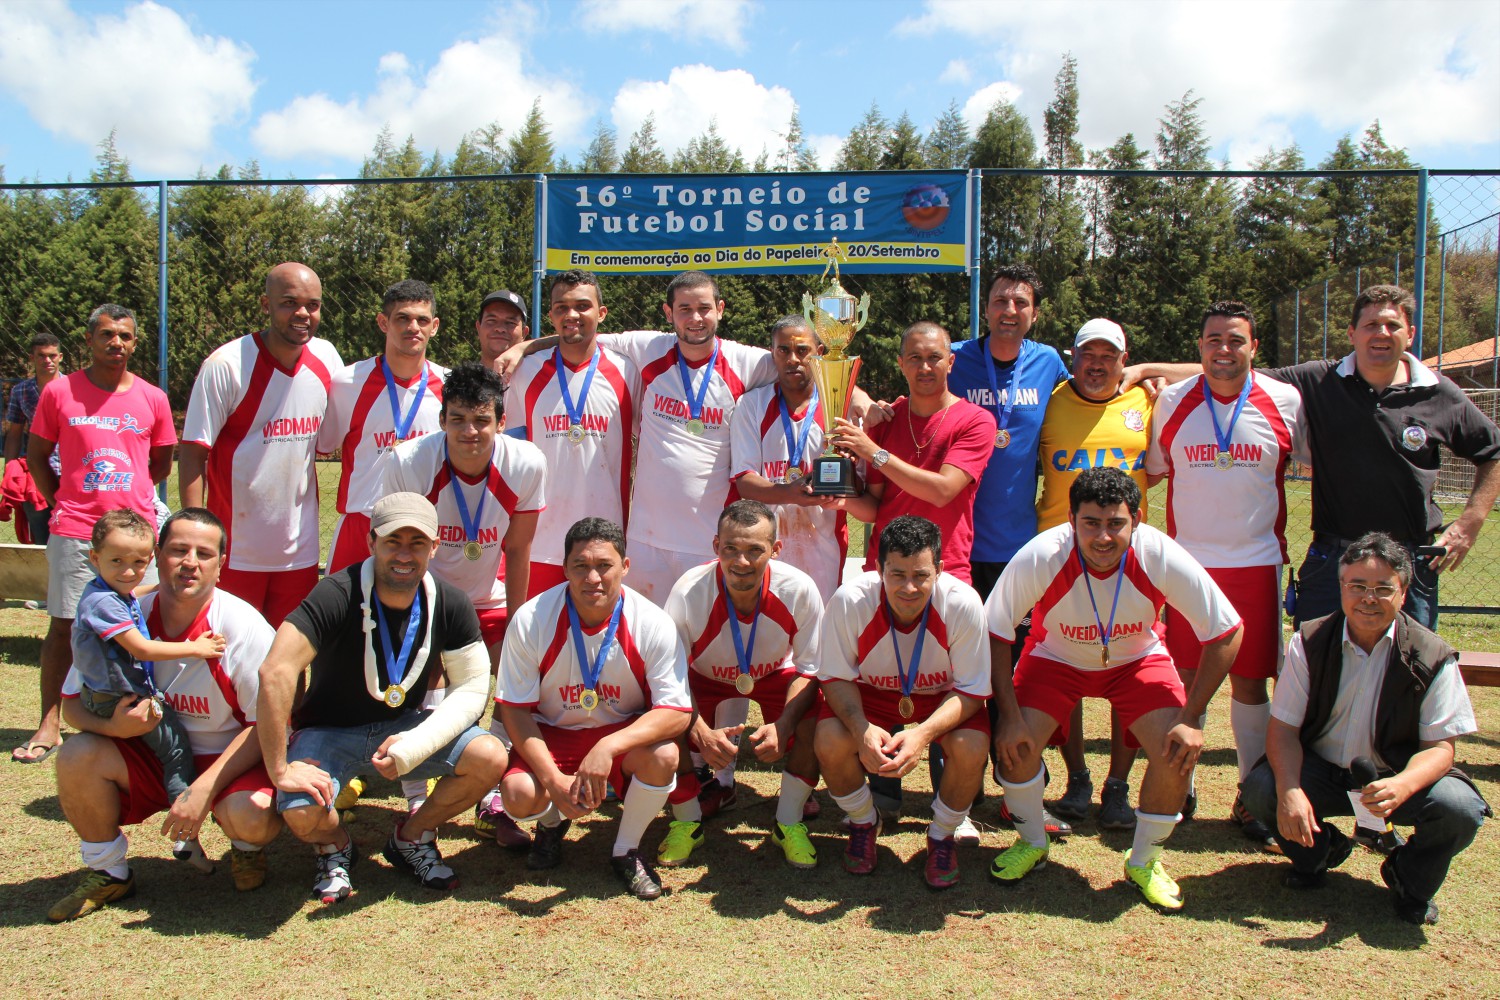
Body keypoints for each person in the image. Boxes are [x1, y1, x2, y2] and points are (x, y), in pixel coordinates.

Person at [1136, 284, 1500, 630]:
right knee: (1317, 663)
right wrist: (1145, 370)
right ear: (1352, 333)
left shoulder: (1438, 391)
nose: (1382, 333)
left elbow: (1493, 451)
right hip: (1334, 551)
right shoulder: (1319, 379)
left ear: (1411, 333)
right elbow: (1232, 370)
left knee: (1411, 668)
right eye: (1371, 324)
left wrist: (1469, 522)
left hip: (1408, 553)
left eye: (1392, 325)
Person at [986, 468, 1241, 911]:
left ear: (1136, 519)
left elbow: (1226, 631)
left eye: (1115, 524)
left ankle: (1143, 861)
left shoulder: (1159, 553)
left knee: (1176, 752)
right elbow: (993, 632)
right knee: (1014, 746)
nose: (1103, 537)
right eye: (1091, 523)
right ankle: (1032, 842)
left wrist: (1191, 717)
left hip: (1135, 660)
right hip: (1056, 658)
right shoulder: (1043, 554)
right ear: (1071, 520)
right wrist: (1007, 717)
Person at [257, 493, 508, 903]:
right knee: (302, 811)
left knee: (490, 757)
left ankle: (410, 837)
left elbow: (473, 688)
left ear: (435, 546)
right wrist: (280, 769)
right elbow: (276, 671)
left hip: (403, 728)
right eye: (393, 541)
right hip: (328, 731)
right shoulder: (336, 592)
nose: (404, 554)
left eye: (416, 542)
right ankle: (335, 846)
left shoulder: (450, 602)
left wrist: (415, 744)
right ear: (372, 542)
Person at [1240, 533, 1488, 926]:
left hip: (1392, 777)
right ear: (1341, 588)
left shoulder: (1433, 654)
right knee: (1263, 789)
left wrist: (1403, 785)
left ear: (1403, 593)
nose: (1368, 598)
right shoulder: (1308, 641)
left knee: (1460, 808)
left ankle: (1408, 877)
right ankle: (1320, 853)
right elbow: (1283, 729)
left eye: (1382, 588)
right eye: (1357, 586)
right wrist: (1290, 790)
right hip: (1322, 771)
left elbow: (1441, 747)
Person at [49, 508, 280, 920]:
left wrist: (204, 788)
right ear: (156, 556)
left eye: (204, 553)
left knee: (253, 817)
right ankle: (109, 873)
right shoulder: (118, 614)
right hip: (150, 752)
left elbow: (268, 724)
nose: (190, 561)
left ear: (221, 564)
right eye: (178, 550)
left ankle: (246, 851)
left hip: (226, 758)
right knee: (76, 755)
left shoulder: (243, 626)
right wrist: (111, 726)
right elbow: (69, 705)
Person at [1146, 300, 1305, 846]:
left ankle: (1250, 793)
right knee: (1185, 682)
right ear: (1200, 346)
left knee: (1249, 683)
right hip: (1188, 563)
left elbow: (1306, 465)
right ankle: (1181, 785)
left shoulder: (1285, 401)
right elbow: (1152, 472)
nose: (1224, 350)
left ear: (1254, 347)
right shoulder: (1171, 402)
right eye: (1214, 339)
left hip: (1257, 561)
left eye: (1236, 340)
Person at [384, 361, 543, 845]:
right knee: (418, 686)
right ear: (442, 420)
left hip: (490, 596)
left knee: (515, 685)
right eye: (457, 420)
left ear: (499, 419)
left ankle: (491, 797)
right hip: (427, 595)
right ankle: (417, 797)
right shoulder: (409, 461)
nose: (469, 432)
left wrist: (518, 627)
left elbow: (517, 550)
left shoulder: (527, 462)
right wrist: (409, 619)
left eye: (481, 420)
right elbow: (401, 552)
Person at [497, 517, 693, 900]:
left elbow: (676, 711)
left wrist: (607, 748)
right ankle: (551, 824)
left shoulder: (652, 621)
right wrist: (553, 780)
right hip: (552, 733)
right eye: (580, 566)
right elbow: (515, 711)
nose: (593, 578)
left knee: (665, 755)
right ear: (565, 568)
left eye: (604, 565)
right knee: (519, 794)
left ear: (625, 566)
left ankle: (626, 850)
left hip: (618, 735)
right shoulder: (532, 619)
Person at [17, 304, 177, 766]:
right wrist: (63, 503)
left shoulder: (152, 397)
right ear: (88, 341)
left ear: (134, 342)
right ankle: (50, 722)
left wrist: (134, 501)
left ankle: (143, 714)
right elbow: (38, 453)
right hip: (77, 530)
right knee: (66, 625)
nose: (116, 343)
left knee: (143, 620)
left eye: (125, 336)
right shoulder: (59, 393)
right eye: (107, 334)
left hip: (136, 531)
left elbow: (161, 462)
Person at [815, 515, 991, 888]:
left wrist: (923, 735)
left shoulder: (963, 603)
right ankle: (864, 822)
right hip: (872, 695)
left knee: (972, 744)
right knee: (830, 739)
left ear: (940, 570)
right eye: (897, 575)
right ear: (879, 569)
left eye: (921, 575)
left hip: (941, 697)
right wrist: (861, 730)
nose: (909, 587)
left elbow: (973, 691)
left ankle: (942, 835)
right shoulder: (850, 601)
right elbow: (833, 678)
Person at [659, 500, 825, 869]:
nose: (741, 562)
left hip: (771, 676)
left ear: (776, 550)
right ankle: (686, 820)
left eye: (755, 550)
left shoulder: (799, 588)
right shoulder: (688, 590)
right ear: (716, 546)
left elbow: (811, 668)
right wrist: (699, 730)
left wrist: (784, 726)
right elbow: (668, 677)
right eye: (731, 549)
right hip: (704, 677)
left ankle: (789, 821)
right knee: (664, 721)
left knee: (817, 719)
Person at [1035, 318, 1153, 829]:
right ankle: (1078, 776)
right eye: (1088, 354)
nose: (1098, 363)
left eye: (1110, 355)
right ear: (1073, 357)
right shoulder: (1051, 399)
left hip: (1128, 554)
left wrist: (1150, 371)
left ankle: (1119, 785)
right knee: (1064, 663)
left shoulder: (1147, 401)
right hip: (1058, 554)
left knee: (1129, 659)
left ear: (1123, 361)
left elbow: (1220, 370)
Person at [180, 262, 343, 626]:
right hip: (236, 550)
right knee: (229, 651)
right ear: (265, 305)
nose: (302, 313)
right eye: (289, 302)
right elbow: (193, 453)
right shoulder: (227, 365)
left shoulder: (327, 359)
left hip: (299, 551)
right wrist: (194, 532)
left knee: (290, 652)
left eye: (312, 305)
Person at [69, 508, 227, 867]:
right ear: (94, 558)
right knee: (174, 752)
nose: (129, 572)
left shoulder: (107, 591)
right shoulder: (102, 603)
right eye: (117, 561)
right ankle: (186, 838)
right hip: (117, 700)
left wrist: (159, 586)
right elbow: (140, 648)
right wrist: (196, 648)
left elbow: (131, 591)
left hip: (109, 696)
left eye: (139, 562)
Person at [503, 270, 639, 598]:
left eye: (582, 306)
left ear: (601, 313)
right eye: (561, 308)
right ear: (550, 315)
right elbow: (513, 454)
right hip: (541, 543)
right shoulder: (526, 371)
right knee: (540, 642)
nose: (572, 315)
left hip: (606, 542)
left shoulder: (627, 371)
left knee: (598, 641)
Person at [831, 322, 997, 588]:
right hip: (884, 568)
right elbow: (875, 506)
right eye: (915, 358)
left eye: (934, 358)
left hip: (943, 569)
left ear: (951, 361)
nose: (925, 368)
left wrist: (875, 453)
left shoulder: (976, 421)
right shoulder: (886, 419)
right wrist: (840, 499)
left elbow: (942, 491)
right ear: (901, 363)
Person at [947, 265, 1070, 595]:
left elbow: (1092, 395)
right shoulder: (952, 360)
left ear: (1036, 314)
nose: (1010, 310)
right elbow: (907, 376)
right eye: (1000, 301)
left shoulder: (1048, 362)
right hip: (959, 540)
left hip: (1020, 541)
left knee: (1013, 643)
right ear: (986, 309)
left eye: (1021, 302)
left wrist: (1146, 373)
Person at [320, 279, 449, 575]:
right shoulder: (347, 383)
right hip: (360, 521)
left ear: (435, 326)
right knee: (344, 616)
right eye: (402, 318)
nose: (412, 327)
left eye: (422, 319)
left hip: (422, 524)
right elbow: (325, 446)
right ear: (383, 322)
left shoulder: (449, 386)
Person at [729, 315, 847, 602]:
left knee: (816, 635)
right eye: (783, 350)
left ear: (819, 352)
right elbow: (744, 482)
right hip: (763, 544)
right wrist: (789, 493)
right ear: (773, 353)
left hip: (822, 544)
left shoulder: (839, 405)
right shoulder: (752, 405)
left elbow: (859, 483)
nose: (792, 359)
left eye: (802, 350)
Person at [2, 332, 63, 546]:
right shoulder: (21, 391)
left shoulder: (74, 389)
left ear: (60, 357)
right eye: (41, 356)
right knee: (40, 537)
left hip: (71, 472)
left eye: (52, 356)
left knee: (70, 534)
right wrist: (10, 470)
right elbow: (14, 434)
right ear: (32, 358)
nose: (48, 361)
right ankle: (43, 580)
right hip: (36, 473)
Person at [476, 288, 529, 373]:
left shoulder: (538, 381)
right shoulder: (457, 382)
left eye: (510, 322)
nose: (500, 329)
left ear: (524, 333)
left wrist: (530, 347)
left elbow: (558, 340)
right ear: (478, 328)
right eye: (491, 320)